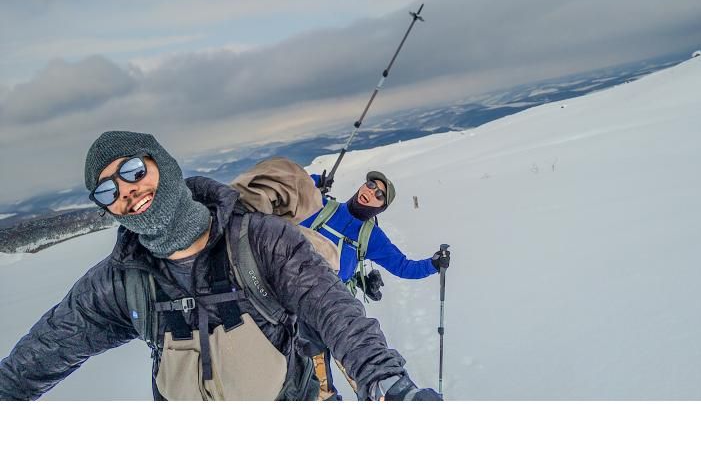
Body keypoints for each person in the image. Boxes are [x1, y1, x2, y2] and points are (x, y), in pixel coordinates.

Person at [0, 131, 440, 401]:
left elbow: (338, 312)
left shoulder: (262, 242)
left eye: (132, 170)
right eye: (105, 191)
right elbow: (37, 357)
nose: (125, 190)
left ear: (163, 164)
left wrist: (385, 381)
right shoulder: (121, 282)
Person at [298, 170, 450, 399]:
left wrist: (433, 264)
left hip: (335, 306)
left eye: (380, 195)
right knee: (316, 380)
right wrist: (316, 180)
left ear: (380, 207)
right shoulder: (323, 207)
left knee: (362, 362)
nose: (372, 192)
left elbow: (402, 266)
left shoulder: (372, 237)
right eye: (371, 185)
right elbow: (293, 190)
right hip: (297, 297)